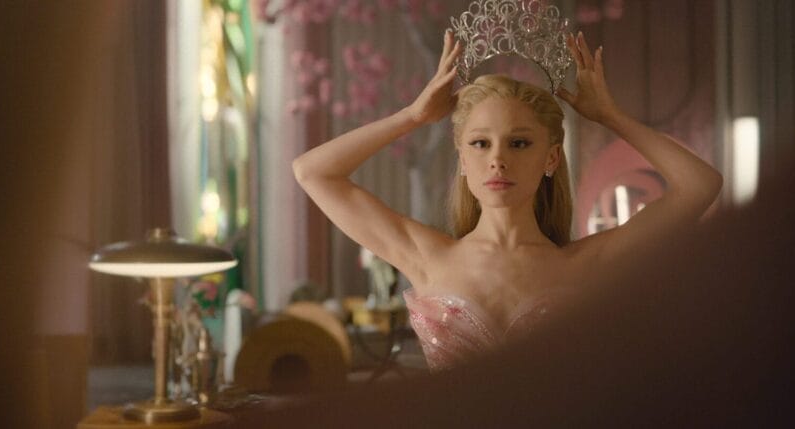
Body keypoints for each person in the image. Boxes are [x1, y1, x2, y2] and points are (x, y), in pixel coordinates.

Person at [291, 30, 722, 370]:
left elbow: (701, 186)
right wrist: (413, 115)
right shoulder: (426, 257)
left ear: (551, 157)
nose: (497, 160)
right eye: (480, 144)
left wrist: (611, 116)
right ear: (462, 159)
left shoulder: (587, 266)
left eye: (519, 143)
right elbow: (312, 172)